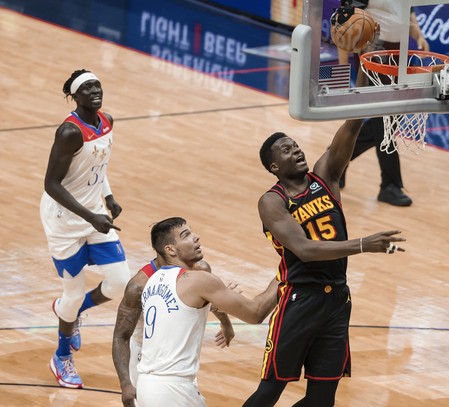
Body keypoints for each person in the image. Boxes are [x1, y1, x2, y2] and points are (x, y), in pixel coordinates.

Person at [243, 64, 406, 407]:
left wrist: (366, 70)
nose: (296, 151)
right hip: (299, 300)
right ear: (274, 167)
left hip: (337, 301)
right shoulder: (271, 202)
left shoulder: (326, 176)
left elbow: (353, 122)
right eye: (286, 150)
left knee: (322, 400)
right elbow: (305, 249)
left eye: (296, 145)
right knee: (269, 392)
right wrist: (363, 245)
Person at [112, 217, 278, 407]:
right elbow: (256, 313)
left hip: (152, 381)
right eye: (186, 235)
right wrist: (288, 269)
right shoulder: (140, 285)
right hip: (166, 379)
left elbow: (198, 302)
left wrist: (225, 320)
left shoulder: (155, 281)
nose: (196, 237)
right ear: (170, 249)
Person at [40, 69, 132, 389]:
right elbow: (51, 184)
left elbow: (97, 165)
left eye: (97, 85)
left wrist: (108, 196)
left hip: (93, 213)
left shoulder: (106, 121)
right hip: (64, 220)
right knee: (73, 293)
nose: (95, 90)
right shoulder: (69, 132)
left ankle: (75, 313)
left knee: (122, 282)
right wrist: (91, 216)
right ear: (75, 97)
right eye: (87, 88)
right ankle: (62, 356)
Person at [337, 0, 430, 206]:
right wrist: (343, 70)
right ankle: (390, 186)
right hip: (372, 52)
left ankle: (334, 162)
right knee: (384, 120)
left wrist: (419, 36)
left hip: (399, 53)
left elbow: (408, 12)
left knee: (387, 120)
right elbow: (344, 25)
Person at [125, 255, 236, 389]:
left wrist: (226, 323)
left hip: (172, 351)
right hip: (144, 347)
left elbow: (208, 299)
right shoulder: (147, 280)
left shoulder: (195, 274)